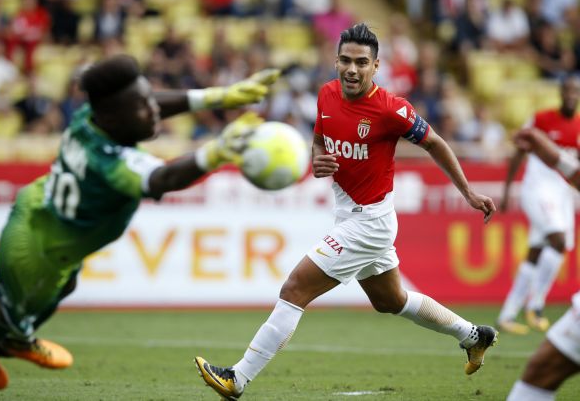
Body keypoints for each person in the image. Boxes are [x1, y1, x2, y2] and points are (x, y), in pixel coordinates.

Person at [195, 23, 498, 400]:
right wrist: (317, 158)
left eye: (361, 62)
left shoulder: (391, 109)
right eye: (345, 60)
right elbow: (319, 142)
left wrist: (467, 191)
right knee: (391, 301)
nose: (352, 69)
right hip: (349, 215)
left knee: (294, 289)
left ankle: (237, 378)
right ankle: (474, 335)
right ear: (336, 61)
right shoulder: (326, 94)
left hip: (370, 222)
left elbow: (434, 143)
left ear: (376, 66)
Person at [0, 54, 280, 390]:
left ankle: (17, 336)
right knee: (11, 308)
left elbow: (144, 105)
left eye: (149, 100)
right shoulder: (110, 164)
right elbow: (163, 179)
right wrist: (216, 152)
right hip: (36, 254)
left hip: (39, 211)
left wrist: (220, 96)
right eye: (142, 107)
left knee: (66, 285)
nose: (153, 111)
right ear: (113, 116)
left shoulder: (89, 119)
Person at [497, 75, 580, 335]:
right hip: (538, 189)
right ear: (560, 93)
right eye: (567, 90)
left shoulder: (579, 125)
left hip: (563, 194)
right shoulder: (542, 120)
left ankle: (507, 314)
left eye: (575, 91)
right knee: (558, 240)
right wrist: (507, 189)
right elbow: (519, 150)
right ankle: (536, 306)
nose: (571, 96)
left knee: (537, 251)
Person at [505, 127, 580, 400]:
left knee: (541, 371)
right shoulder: (545, 122)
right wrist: (539, 142)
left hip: (557, 196)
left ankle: (532, 305)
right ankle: (518, 309)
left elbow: (573, 172)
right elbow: (572, 171)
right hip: (543, 194)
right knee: (539, 250)